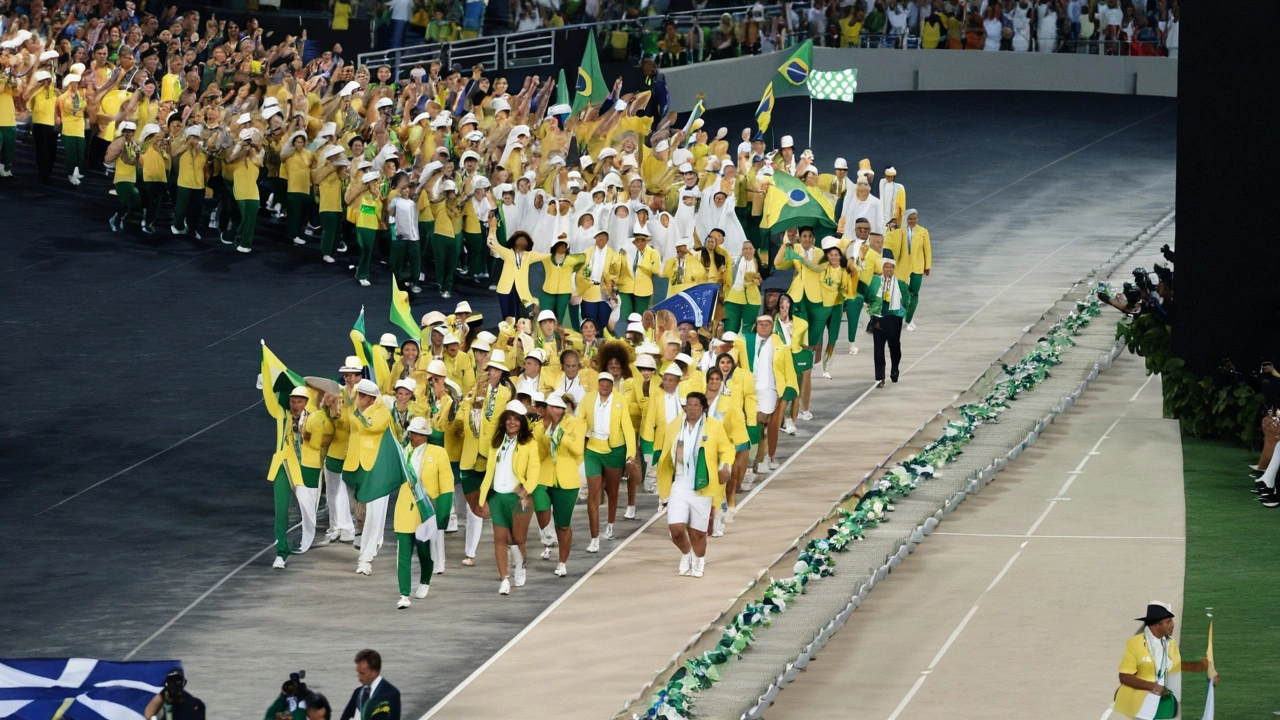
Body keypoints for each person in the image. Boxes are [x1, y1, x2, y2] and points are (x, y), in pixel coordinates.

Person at [656, 392, 733, 578]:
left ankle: (698, 560)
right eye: (688, 404)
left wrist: (725, 466)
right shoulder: (675, 425)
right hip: (680, 485)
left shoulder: (713, 426)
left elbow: (727, 449)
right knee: (675, 529)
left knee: (698, 533)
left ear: (703, 408)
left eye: (696, 405)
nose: (691, 408)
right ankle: (686, 553)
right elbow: (665, 452)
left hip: (702, 486)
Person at [478, 400, 541, 595]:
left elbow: (534, 469)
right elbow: (489, 471)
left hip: (517, 497)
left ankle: (520, 568)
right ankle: (504, 579)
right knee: (500, 538)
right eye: (509, 419)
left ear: (522, 422)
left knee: (517, 539)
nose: (512, 423)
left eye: (516, 420)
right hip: (498, 496)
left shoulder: (530, 443)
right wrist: (483, 498)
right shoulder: (497, 442)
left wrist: (526, 490)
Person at [1113, 603, 1217, 719]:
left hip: (1162, 703)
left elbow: (1175, 667)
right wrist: (1153, 686)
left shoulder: (1170, 644)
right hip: (1140, 704)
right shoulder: (1135, 644)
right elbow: (1124, 676)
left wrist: (1203, 670)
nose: (1173, 625)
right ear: (1158, 624)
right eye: (1168, 622)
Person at [394, 417, 453, 608]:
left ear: (426, 435)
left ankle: (425, 580)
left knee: (424, 551)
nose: (414, 436)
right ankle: (404, 594)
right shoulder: (402, 452)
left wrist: (443, 513)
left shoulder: (438, 453)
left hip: (426, 509)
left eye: (418, 433)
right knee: (403, 552)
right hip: (404, 506)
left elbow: (446, 484)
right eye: (412, 432)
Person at [580, 371, 637, 552]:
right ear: (598, 384)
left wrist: (631, 454)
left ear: (612, 385)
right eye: (602, 383)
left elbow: (627, 427)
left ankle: (610, 524)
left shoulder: (620, 400)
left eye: (608, 384)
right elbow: (578, 421)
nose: (604, 386)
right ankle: (594, 537)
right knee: (593, 493)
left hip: (615, 450)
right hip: (593, 450)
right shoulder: (588, 399)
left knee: (612, 491)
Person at [736, 314, 798, 474]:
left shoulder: (781, 346)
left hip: (769, 390)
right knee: (754, 428)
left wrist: (788, 393)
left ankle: (755, 463)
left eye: (767, 324)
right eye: (760, 324)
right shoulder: (744, 342)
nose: (763, 326)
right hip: (748, 390)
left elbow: (790, 372)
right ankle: (757, 460)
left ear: (772, 327)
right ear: (756, 326)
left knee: (759, 423)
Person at [344, 379, 392, 575]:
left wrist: (356, 411)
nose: (359, 399)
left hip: (378, 469)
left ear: (371, 398)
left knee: (374, 513)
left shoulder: (383, 413)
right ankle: (371, 541)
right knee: (358, 510)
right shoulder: (354, 409)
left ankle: (365, 558)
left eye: (362, 396)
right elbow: (348, 422)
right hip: (357, 467)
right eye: (358, 395)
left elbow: (369, 427)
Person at [534, 392, 585, 576]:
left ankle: (562, 562)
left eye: (559, 408)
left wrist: (557, 430)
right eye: (552, 407)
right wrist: (544, 430)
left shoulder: (576, 423)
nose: (556, 410)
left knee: (563, 525)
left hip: (567, 478)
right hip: (544, 475)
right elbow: (539, 454)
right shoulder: (539, 427)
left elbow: (577, 448)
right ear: (547, 409)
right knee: (541, 509)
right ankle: (547, 536)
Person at [867, 253, 909, 387]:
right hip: (879, 318)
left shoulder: (901, 284)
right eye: (886, 267)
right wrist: (872, 313)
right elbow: (869, 298)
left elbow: (907, 301)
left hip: (894, 318)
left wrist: (902, 314)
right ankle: (880, 378)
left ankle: (894, 369)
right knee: (878, 349)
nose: (888, 270)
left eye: (891, 267)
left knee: (894, 346)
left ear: (894, 269)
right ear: (882, 268)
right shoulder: (875, 282)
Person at [340, 649, 400, 720]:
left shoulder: (391, 694)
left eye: (362, 673)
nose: (359, 677)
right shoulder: (358, 692)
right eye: (358, 672)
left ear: (375, 671)